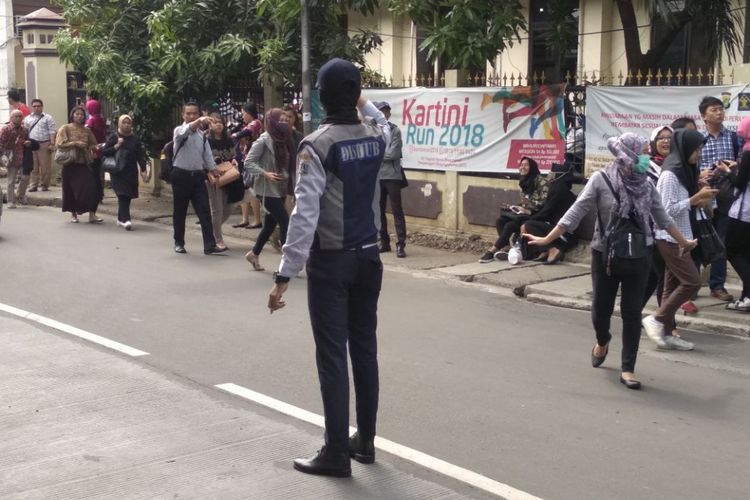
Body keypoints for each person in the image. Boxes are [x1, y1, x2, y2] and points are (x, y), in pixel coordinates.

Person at [268, 58, 390, 477]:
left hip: (332, 261)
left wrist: (285, 272)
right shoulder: (375, 136)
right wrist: (366, 102)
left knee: (333, 357)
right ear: (355, 95)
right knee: (365, 351)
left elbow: (304, 214)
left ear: (321, 97)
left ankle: (337, 451)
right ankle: (366, 442)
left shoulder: (316, 145)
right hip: (369, 256)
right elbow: (389, 128)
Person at [525, 133, 696, 390]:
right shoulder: (601, 179)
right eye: (642, 152)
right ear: (628, 153)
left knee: (631, 312)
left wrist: (683, 241)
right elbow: (576, 211)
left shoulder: (647, 185)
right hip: (604, 254)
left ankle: (628, 368)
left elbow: (663, 218)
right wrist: (547, 238)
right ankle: (603, 340)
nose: (646, 157)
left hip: (640, 255)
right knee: (601, 310)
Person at [642, 128, 717, 350]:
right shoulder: (670, 175)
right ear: (685, 149)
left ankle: (666, 333)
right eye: (696, 149)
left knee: (670, 285)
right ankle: (656, 319)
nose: (699, 154)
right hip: (669, 237)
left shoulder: (685, 171)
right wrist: (694, 199)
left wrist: (703, 198)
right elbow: (664, 212)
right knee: (692, 281)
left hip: (684, 236)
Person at [696, 96, 737, 303]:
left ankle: (717, 285)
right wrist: (701, 173)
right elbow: (689, 165)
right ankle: (691, 284)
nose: (719, 113)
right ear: (704, 116)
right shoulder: (698, 139)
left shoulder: (732, 137)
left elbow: (741, 163)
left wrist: (733, 164)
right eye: (714, 110)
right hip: (701, 193)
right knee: (696, 239)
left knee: (721, 241)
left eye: (721, 109)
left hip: (724, 195)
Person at [243, 108, 294, 271]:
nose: (284, 123)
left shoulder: (285, 139)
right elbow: (248, 162)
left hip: (280, 187)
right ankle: (288, 263)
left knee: (270, 225)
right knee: (285, 221)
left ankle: (254, 253)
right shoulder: (263, 140)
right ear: (272, 122)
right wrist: (265, 173)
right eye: (281, 120)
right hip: (265, 189)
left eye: (286, 120)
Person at [171, 101, 224, 255]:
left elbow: (207, 155)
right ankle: (179, 243)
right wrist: (200, 121)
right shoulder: (179, 131)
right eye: (188, 113)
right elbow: (186, 131)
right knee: (179, 211)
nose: (191, 115)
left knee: (204, 211)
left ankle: (209, 245)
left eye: (195, 113)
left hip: (198, 176)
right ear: (183, 115)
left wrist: (214, 169)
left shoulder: (202, 136)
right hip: (180, 175)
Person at [479, 156, 547, 262]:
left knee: (509, 225)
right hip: (524, 214)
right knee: (500, 221)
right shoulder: (524, 181)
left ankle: (491, 252)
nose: (522, 167)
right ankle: (506, 248)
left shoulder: (541, 181)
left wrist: (529, 206)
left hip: (536, 216)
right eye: (521, 165)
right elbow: (525, 202)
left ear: (532, 167)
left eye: (526, 165)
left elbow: (544, 203)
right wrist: (516, 207)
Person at [519, 162, 577, 264]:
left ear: (556, 175)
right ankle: (545, 251)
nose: (548, 175)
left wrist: (528, 221)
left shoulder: (558, 190)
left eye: (551, 173)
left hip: (564, 233)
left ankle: (552, 250)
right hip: (563, 231)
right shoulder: (561, 188)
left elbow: (546, 212)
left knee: (530, 225)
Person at [101, 115, 149, 230]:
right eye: (124, 123)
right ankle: (126, 219)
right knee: (122, 194)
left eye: (128, 123)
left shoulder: (134, 139)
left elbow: (140, 155)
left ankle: (120, 218)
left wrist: (143, 170)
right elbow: (105, 152)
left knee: (128, 195)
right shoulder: (114, 137)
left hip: (131, 170)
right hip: (118, 171)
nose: (126, 125)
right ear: (119, 124)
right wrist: (117, 145)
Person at [373, 101, 408, 257]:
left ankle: (401, 244)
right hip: (377, 176)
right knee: (378, 210)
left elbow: (393, 154)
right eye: (381, 112)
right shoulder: (372, 130)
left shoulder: (395, 130)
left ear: (389, 114)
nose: (384, 114)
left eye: (386, 111)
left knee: (397, 210)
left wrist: (376, 155)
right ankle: (384, 242)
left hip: (392, 176)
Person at [56, 106, 102, 223]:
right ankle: (73, 214)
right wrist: (75, 143)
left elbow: (92, 144)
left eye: (81, 114)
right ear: (72, 115)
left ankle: (92, 214)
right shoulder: (65, 128)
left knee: (92, 189)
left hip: (84, 163)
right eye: (77, 114)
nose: (79, 116)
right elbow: (59, 144)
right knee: (70, 191)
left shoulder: (87, 130)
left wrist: (98, 147)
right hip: (70, 163)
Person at [206, 114, 244, 249]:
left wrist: (234, 160)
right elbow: (204, 158)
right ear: (210, 125)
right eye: (215, 122)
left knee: (228, 208)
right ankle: (218, 239)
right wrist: (214, 165)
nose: (218, 125)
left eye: (220, 122)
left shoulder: (229, 140)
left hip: (229, 176)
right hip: (213, 177)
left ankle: (209, 230)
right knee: (217, 209)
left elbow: (235, 155)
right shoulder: (206, 141)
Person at [725, 116, 750, 312]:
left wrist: (727, 171)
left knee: (731, 249)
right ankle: (746, 297)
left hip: (744, 211)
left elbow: (740, 182)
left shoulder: (749, 150)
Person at [231, 102, 263, 230]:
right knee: (243, 189)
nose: (242, 116)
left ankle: (257, 220)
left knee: (252, 190)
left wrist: (236, 134)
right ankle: (244, 219)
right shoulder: (243, 125)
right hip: (243, 160)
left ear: (249, 113)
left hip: (253, 160)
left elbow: (245, 133)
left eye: (244, 113)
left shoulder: (256, 123)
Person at [23, 99, 56, 193]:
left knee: (45, 167)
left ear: (42, 107)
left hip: (44, 144)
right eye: (34, 106)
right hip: (32, 144)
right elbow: (25, 132)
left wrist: (52, 143)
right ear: (32, 107)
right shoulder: (27, 118)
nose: (36, 108)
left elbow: (52, 131)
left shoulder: (48, 118)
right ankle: (33, 185)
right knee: (33, 166)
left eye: (38, 106)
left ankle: (45, 185)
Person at [0, 110, 29, 209]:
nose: (18, 118)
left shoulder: (24, 129)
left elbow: (27, 140)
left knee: (25, 177)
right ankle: (11, 201)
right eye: (15, 116)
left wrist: (28, 143)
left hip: (22, 156)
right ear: (11, 118)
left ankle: (20, 195)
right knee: (11, 180)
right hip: (10, 158)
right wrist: (2, 156)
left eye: (20, 116)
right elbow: (1, 143)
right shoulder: (5, 129)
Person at [85, 97, 107, 203]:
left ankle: (95, 195)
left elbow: (87, 133)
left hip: (92, 150)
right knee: (100, 174)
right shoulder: (101, 119)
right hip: (101, 149)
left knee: (92, 174)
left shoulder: (91, 120)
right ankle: (100, 194)